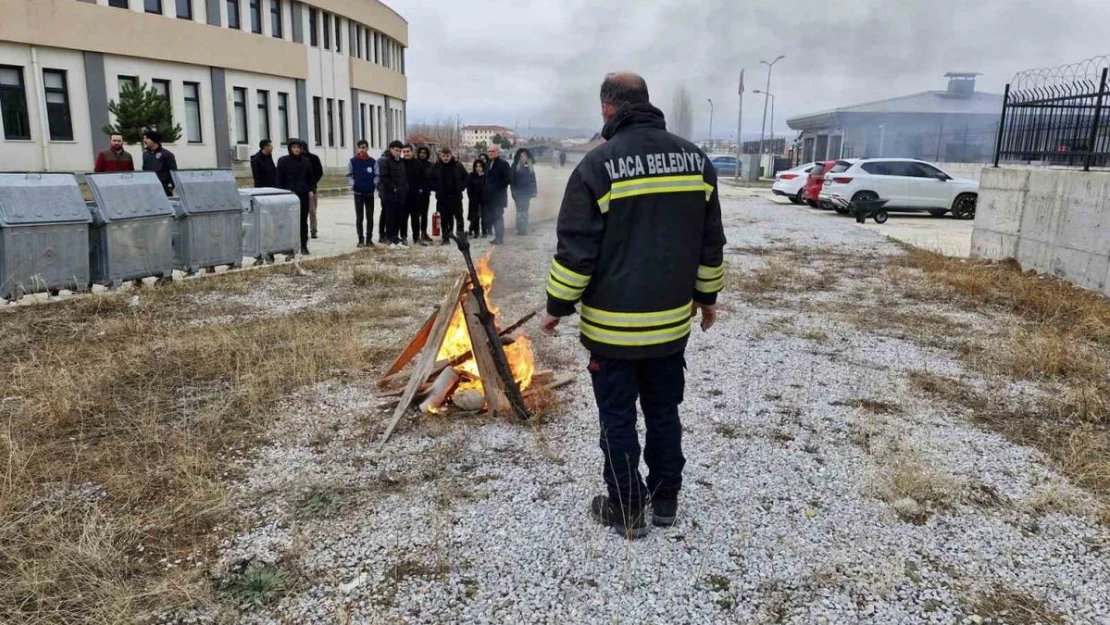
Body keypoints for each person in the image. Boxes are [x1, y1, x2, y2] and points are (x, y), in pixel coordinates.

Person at [539, 72, 726, 539]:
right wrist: (707, 299)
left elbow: (576, 251)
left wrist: (555, 307)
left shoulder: (596, 166)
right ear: (647, 101)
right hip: (668, 329)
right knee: (664, 411)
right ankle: (665, 500)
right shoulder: (696, 161)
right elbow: (710, 243)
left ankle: (625, 508)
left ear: (608, 108)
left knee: (618, 418)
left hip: (612, 332)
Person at [275, 138, 315, 255]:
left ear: (301, 149)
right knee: (288, 222)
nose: (296, 149)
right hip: (288, 196)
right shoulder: (283, 161)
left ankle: (303, 245)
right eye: (294, 147)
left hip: (303, 195)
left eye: (298, 147)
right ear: (290, 149)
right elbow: (279, 179)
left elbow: (310, 178)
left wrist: (311, 189)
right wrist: (280, 193)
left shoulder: (306, 161)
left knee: (303, 221)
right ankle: (289, 247)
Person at [430, 147, 467, 244]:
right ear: (440, 156)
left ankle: (460, 236)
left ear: (451, 155)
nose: (445, 158)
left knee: (458, 216)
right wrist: (436, 188)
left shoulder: (458, 165)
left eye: (447, 156)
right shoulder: (436, 166)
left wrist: (462, 187)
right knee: (444, 217)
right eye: (443, 156)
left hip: (456, 196)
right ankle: (446, 237)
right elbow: (430, 179)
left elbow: (466, 177)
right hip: (442, 197)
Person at [377, 140, 409, 248]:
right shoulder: (384, 161)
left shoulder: (400, 162)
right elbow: (384, 177)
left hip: (400, 194)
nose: (398, 152)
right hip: (389, 194)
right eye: (396, 150)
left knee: (398, 216)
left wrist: (404, 188)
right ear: (391, 149)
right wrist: (394, 188)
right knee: (390, 217)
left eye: (400, 151)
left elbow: (403, 177)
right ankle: (390, 238)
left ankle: (396, 237)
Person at [347, 139, 378, 247]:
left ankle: (369, 239)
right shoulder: (353, 161)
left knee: (370, 217)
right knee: (359, 217)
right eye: (360, 147)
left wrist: (373, 185)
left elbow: (377, 175)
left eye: (364, 147)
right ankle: (360, 239)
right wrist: (353, 184)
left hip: (369, 194)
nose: (362, 149)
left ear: (367, 148)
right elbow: (349, 175)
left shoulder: (373, 162)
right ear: (357, 148)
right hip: (358, 194)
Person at [483, 144, 512, 245]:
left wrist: (497, 187)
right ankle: (497, 236)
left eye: (493, 151)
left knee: (498, 216)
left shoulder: (503, 164)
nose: (490, 153)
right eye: (489, 151)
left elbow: (508, 179)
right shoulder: (488, 163)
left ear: (497, 152)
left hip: (499, 197)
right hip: (489, 197)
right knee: (493, 217)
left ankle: (500, 237)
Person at [401, 144, 428, 246]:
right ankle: (403, 237)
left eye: (408, 151)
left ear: (412, 152)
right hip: (404, 196)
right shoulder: (401, 164)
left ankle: (416, 238)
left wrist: (421, 189)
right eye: (404, 152)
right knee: (403, 218)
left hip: (416, 196)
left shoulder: (418, 164)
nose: (406, 153)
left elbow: (424, 179)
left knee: (415, 218)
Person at [510, 148, 538, 236]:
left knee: (525, 211)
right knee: (520, 211)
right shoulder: (514, 167)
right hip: (518, 193)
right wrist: (513, 191)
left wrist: (534, 191)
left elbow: (533, 180)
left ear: (527, 157)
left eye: (525, 156)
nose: (523, 158)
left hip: (527, 193)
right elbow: (512, 181)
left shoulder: (530, 167)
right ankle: (519, 228)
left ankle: (524, 228)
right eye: (521, 156)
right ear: (518, 157)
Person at [141, 130, 177, 196]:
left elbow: (173, 171)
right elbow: (144, 170)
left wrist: (170, 186)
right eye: (144, 138)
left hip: (163, 188)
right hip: (149, 187)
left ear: (153, 140)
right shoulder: (145, 154)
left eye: (147, 138)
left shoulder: (167, 154)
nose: (144, 140)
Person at [414, 146, 434, 244]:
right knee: (416, 215)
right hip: (416, 193)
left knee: (424, 214)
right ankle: (416, 234)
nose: (422, 154)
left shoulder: (430, 165)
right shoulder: (415, 163)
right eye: (421, 152)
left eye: (424, 153)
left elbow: (431, 178)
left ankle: (424, 232)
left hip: (426, 193)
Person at [304, 146, 324, 239]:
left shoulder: (313, 158)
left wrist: (313, 183)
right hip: (299, 189)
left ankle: (313, 230)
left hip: (312, 188)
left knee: (312, 211)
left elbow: (319, 172)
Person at [466, 159, 487, 237]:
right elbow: (469, 189)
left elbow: (487, 187)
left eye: (480, 166)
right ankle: (476, 232)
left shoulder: (486, 176)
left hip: (483, 200)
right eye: (476, 166)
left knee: (484, 216)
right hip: (474, 200)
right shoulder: (471, 176)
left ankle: (484, 231)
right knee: (475, 216)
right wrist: (471, 198)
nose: (478, 168)